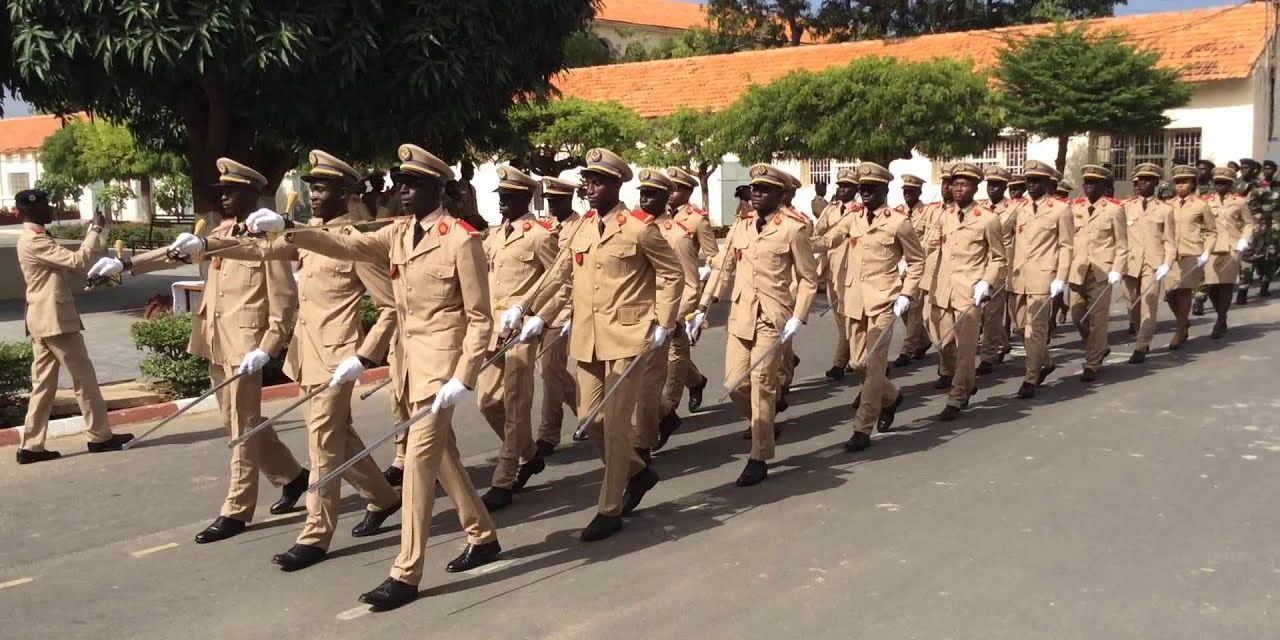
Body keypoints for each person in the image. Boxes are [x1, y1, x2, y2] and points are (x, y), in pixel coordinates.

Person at [245, 144, 502, 610]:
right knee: (442, 456)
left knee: (418, 466)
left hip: (441, 371)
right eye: (401, 184)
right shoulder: (397, 234)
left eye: (414, 184)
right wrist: (288, 227)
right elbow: (345, 244)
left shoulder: (461, 239)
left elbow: (481, 318)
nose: (404, 191)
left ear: (437, 188)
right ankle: (482, 535)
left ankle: (406, 572)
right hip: (412, 367)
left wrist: (463, 376)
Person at [171, 150, 402, 571]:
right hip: (306, 355)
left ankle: (315, 534)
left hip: (338, 358)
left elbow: (390, 306)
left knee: (322, 444)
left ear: (346, 194)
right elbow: (256, 251)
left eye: (323, 188)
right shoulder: (306, 235)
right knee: (337, 437)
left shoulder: (354, 241)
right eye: (312, 187)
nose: (314, 195)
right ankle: (384, 497)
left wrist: (365, 355)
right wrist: (204, 245)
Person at [91, 158, 308, 544]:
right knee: (236, 420)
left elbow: (284, 300)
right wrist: (125, 265)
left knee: (242, 427)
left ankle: (237, 509)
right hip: (215, 339)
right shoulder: (220, 232)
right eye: (221, 191)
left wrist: (269, 346)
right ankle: (292, 477)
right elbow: (174, 253)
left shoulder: (269, 238)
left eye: (232, 191)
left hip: (245, 347)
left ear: (252, 195)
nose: (223, 197)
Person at [516, 148, 684, 541]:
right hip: (589, 337)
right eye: (587, 182)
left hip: (628, 337)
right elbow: (559, 274)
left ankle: (609, 508)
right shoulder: (583, 228)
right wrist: (527, 308)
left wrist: (664, 321)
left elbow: (672, 273)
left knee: (616, 425)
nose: (589, 189)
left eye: (597, 182)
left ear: (616, 185)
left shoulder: (639, 228)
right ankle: (638, 472)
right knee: (590, 419)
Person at [688, 163, 818, 486]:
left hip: (772, 317)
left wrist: (798, 315)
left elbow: (807, 278)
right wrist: (703, 306)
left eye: (764, 189)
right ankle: (765, 422)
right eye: (754, 188)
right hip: (741, 315)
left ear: (779, 194)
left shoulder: (793, 228)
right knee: (735, 384)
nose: (756, 194)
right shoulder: (741, 226)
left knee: (762, 383)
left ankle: (759, 456)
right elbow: (723, 269)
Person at [810, 162, 924, 451]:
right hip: (854, 299)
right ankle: (892, 396)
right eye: (862, 188)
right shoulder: (853, 218)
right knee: (858, 363)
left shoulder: (898, 222)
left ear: (885, 190)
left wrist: (907, 294)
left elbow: (917, 261)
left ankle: (862, 427)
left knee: (873, 365)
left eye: (872, 188)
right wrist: (799, 241)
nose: (865, 193)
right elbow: (828, 239)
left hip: (883, 300)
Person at [16, 191, 132, 464]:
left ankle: (31, 446)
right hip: (56, 321)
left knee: (43, 386)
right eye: (46, 205)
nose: (51, 209)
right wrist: (95, 231)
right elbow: (79, 262)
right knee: (84, 378)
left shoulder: (34, 237)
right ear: (32, 211)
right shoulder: (35, 240)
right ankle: (100, 436)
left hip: (43, 320)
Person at [474, 165, 557, 511]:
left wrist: (539, 316)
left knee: (516, 406)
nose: (502, 201)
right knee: (487, 402)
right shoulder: (494, 235)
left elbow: (559, 281)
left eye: (509, 196)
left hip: (521, 331)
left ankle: (504, 479)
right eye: (500, 195)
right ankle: (529, 453)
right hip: (493, 330)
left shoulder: (539, 235)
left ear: (525, 197)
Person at [923, 163, 1007, 420]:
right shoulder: (944, 215)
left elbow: (998, 258)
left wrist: (987, 281)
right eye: (955, 184)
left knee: (966, 348)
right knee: (943, 342)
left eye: (964, 184)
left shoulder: (988, 219)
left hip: (969, 292)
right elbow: (931, 247)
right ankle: (966, 381)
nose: (958, 189)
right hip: (942, 289)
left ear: (974, 188)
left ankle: (957, 396)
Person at [1010, 161, 1073, 398]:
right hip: (1018, 277)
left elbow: (1066, 246)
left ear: (1048, 183)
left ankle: (1031, 377)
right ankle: (1044, 362)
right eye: (1029, 180)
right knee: (1020, 326)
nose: (1032, 185)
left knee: (1035, 329)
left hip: (1044, 276)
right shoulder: (1020, 208)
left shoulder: (1060, 209)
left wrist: (1061, 277)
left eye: (1037, 180)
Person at [1067, 165, 1127, 382]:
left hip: (1102, 272)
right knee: (1077, 316)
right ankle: (1099, 346)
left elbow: (1122, 245)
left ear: (1103, 186)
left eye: (1094, 182)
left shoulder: (1113, 210)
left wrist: (1117, 269)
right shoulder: (1075, 208)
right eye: (1086, 182)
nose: (1089, 186)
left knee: (1097, 319)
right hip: (1078, 270)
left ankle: (1092, 362)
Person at [535, 176, 581, 450]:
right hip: (541, 309)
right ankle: (591, 414)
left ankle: (548, 434)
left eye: (557, 200)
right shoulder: (548, 228)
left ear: (569, 199)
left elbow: (572, 276)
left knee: (552, 371)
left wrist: (572, 311)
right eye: (549, 200)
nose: (552, 205)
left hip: (564, 308)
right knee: (551, 373)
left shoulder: (580, 228)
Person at [665, 167, 712, 412]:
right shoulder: (659, 216)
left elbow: (714, 256)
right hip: (661, 291)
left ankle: (667, 410)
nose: (671, 194)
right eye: (669, 189)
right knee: (669, 350)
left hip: (685, 290)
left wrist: (706, 271)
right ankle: (695, 381)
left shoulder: (697, 219)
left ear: (688, 192)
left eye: (676, 189)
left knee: (674, 349)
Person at [1119, 163, 1175, 365]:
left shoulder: (1165, 209)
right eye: (1140, 179)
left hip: (1153, 263)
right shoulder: (1125, 206)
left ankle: (1142, 344)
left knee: (1148, 303)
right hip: (1130, 262)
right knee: (1131, 303)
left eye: (1148, 179)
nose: (1143, 183)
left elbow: (1170, 241)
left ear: (1156, 182)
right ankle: (1140, 331)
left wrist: (1167, 263)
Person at [814, 167, 862, 380]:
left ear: (856, 189)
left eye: (847, 186)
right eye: (840, 186)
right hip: (833, 271)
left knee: (852, 319)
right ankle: (852, 355)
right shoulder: (831, 210)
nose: (842, 190)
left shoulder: (860, 211)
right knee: (841, 319)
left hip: (854, 272)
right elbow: (819, 233)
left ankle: (841, 361)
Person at [1164, 165, 1216, 351]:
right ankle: (1184, 322)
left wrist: (1207, 251)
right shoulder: (1167, 205)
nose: (1180, 185)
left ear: (1193, 183)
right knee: (1170, 294)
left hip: (1191, 253)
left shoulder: (1201, 205)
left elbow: (1211, 231)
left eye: (1184, 182)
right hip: (1170, 255)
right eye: (1177, 182)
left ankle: (1179, 331)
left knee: (1184, 292)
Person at [1203, 167, 1254, 338]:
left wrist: (1244, 238)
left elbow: (1248, 223)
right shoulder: (1207, 201)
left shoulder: (1239, 201)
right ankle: (1221, 315)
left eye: (1224, 183)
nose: (1220, 186)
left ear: (1230, 184)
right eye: (1217, 182)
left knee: (1225, 284)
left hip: (1232, 246)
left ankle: (1220, 320)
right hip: (1212, 246)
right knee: (1211, 286)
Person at [977, 166, 1017, 374]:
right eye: (989, 184)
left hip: (1001, 265)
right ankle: (1002, 342)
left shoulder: (1014, 209)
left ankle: (988, 357)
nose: (992, 188)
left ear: (1004, 187)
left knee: (992, 313)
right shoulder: (980, 208)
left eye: (997, 185)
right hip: (980, 265)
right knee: (982, 313)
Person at [895, 173, 931, 366]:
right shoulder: (898, 212)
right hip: (899, 266)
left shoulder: (927, 213)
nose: (907, 194)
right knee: (902, 309)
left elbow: (929, 239)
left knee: (914, 307)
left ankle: (907, 349)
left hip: (917, 265)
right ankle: (923, 340)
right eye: (905, 191)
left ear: (919, 192)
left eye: (911, 191)